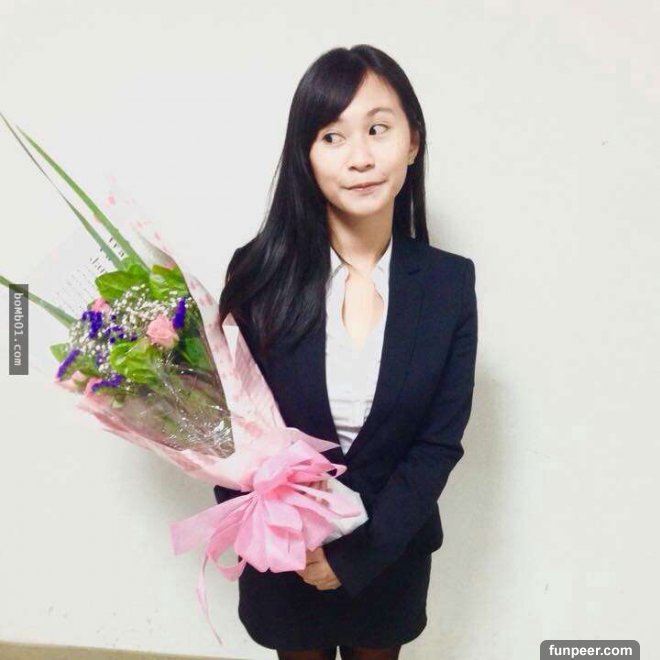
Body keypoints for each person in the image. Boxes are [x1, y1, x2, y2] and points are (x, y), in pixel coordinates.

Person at [214, 44, 478, 660]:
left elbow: (437, 444)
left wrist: (359, 554)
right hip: (287, 558)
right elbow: (227, 429)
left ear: (412, 141)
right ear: (305, 155)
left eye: (378, 129)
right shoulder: (257, 274)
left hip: (390, 553)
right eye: (332, 136)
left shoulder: (447, 284)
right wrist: (281, 536)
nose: (360, 157)